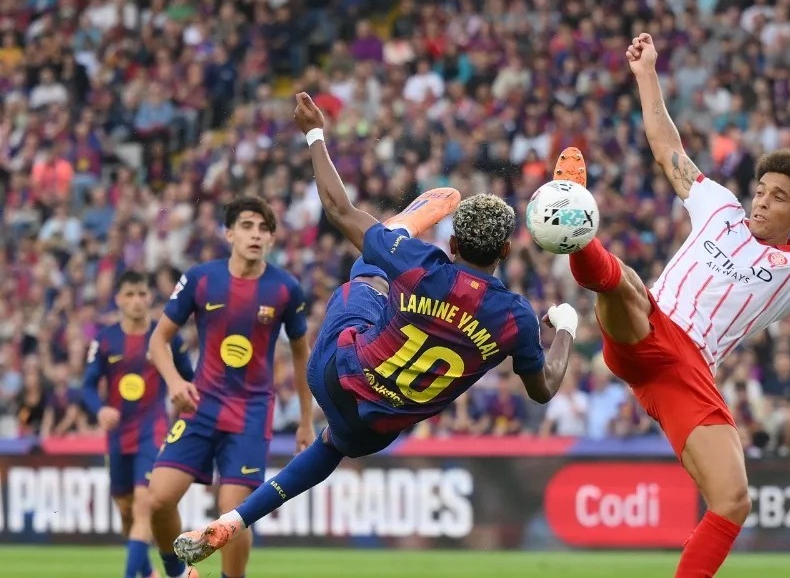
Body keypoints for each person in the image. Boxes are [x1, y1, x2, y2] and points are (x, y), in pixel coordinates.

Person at [559, 33, 790, 578]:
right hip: (649, 325)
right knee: (624, 284)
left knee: (733, 502)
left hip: (686, 371)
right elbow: (667, 147)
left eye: (778, 197)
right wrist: (646, 72)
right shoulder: (719, 206)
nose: (762, 200)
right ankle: (574, 228)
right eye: (761, 189)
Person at [171, 92, 577, 565]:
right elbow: (544, 389)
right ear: (505, 251)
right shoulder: (516, 318)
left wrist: (315, 133)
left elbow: (339, 210)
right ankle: (235, 521)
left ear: (452, 243)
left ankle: (401, 227)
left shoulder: (424, 266)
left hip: (335, 373)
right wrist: (566, 327)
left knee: (367, 269)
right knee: (332, 445)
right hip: (380, 425)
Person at [146, 195, 313, 578]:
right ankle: (179, 574)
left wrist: (306, 420)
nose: (256, 235)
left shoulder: (286, 289)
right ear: (229, 234)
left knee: (232, 516)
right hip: (201, 406)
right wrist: (175, 381)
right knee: (158, 500)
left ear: (271, 238)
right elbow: (158, 341)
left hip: (251, 414)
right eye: (247, 226)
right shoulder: (202, 278)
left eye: (263, 228)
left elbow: (301, 355)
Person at [82, 270, 194, 578]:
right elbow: (88, 386)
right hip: (118, 435)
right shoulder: (105, 339)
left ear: (150, 297)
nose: (136, 301)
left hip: (153, 430)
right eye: (130, 295)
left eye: (142, 294)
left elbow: (190, 378)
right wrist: (100, 410)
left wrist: (183, 399)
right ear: (118, 299)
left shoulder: (165, 337)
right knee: (126, 510)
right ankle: (150, 572)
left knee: (144, 506)